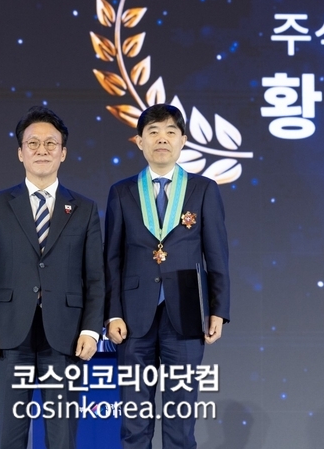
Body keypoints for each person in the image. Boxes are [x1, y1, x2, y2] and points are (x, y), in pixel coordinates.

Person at [0, 106, 105, 449]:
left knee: (62, 437)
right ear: (20, 152)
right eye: (33, 143)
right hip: (9, 335)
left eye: (50, 143)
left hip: (66, 336)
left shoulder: (84, 208)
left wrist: (91, 330)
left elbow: (95, 277)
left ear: (63, 152)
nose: (42, 150)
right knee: (10, 435)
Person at [104, 103, 230, 449]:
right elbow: (111, 258)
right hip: (132, 317)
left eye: (171, 132)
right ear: (139, 141)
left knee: (181, 422)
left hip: (186, 310)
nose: (162, 139)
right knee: (134, 421)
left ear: (183, 140)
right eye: (154, 132)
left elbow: (216, 254)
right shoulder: (122, 191)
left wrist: (218, 310)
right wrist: (112, 313)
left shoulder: (203, 189)